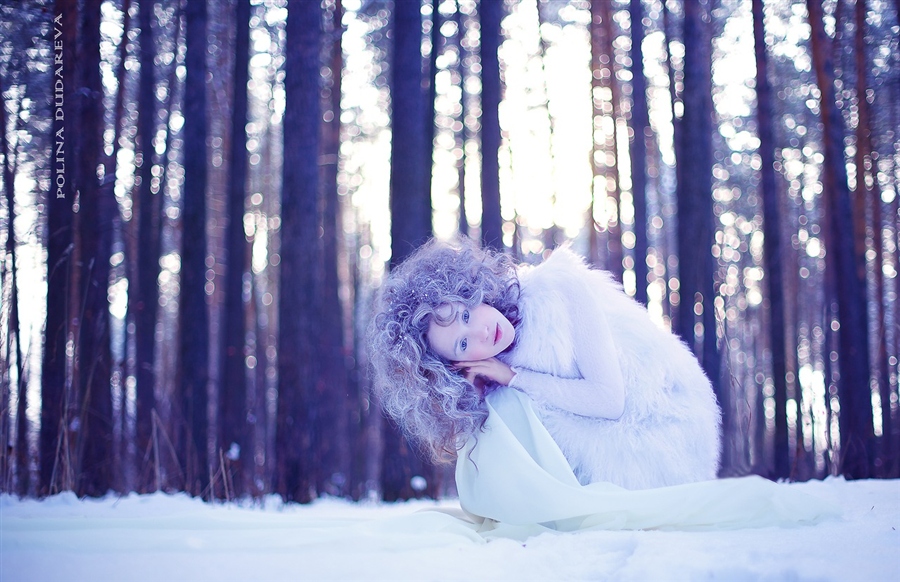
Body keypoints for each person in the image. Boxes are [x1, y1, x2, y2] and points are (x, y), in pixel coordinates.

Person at [370, 236, 720, 491]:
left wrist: (514, 377)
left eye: (465, 311)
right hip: (619, 443)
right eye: (462, 343)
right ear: (456, 366)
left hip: (662, 441)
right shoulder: (494, 363)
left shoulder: (560, 288)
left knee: (509, 402)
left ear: (472, 289)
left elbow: (609, 402)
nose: (480, 331)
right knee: (496, 411)